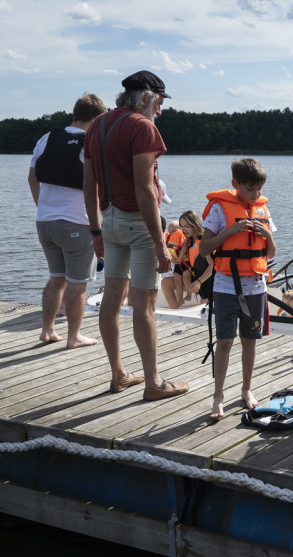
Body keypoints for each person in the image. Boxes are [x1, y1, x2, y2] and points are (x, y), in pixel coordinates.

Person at [82, 70, 189, 401]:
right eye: (159, 102)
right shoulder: (143, 127)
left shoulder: (96, 125)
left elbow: (89, 185)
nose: (160, 110)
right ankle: (153, 384)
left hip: (109, 219)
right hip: (139, 224)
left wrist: (96, 230)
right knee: (144, 305)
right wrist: (160, 245)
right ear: (146, 97)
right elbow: (144, 188)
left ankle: (118, 374)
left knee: (112, 296)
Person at [200, 157, 278, 418]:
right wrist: (230, 231)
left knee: (250, 341)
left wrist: (267, 235)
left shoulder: (263, 211)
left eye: (259, 190)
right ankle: (218, 397)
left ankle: (247, 389)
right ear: (235, 184)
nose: (255, 195)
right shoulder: (219, 210)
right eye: (249, 189)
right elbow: (204, 249)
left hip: (256, 289)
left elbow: (271, 252)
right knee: (224, 341)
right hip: (225, 287)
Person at [28, 93, 107, 348]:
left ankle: (47, 330)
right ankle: (74, 336)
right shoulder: (92, 143)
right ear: (97, 119)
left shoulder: (47, 137)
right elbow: (95, 189)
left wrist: (44, 207)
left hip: (45, 222)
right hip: (77, 222)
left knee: (56, 277)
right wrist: (98, 227)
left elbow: (32, 178)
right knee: (77, 283)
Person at [176, 209, 213, 304]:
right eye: (182, 227)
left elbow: (212, 266)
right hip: (198, 285)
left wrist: (198, 282)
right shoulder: (189, 243)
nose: (184, 230)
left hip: (209, 287)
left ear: (195, 225)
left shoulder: (203, 242)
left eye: (187, 226)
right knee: (166, 283)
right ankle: (175, 310)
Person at [159, 217, 188, 308]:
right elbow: (168, 252)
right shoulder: (170, 240)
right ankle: (178, 302)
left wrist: (179, 257)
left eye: (173, 232)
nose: (171, 234)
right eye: (170, 232)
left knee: (185, 277)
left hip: (185, 264)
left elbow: (184, 248)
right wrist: (172, 259)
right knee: (176, 278)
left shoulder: (186, 239)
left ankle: (188, 295)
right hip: (178, 264)